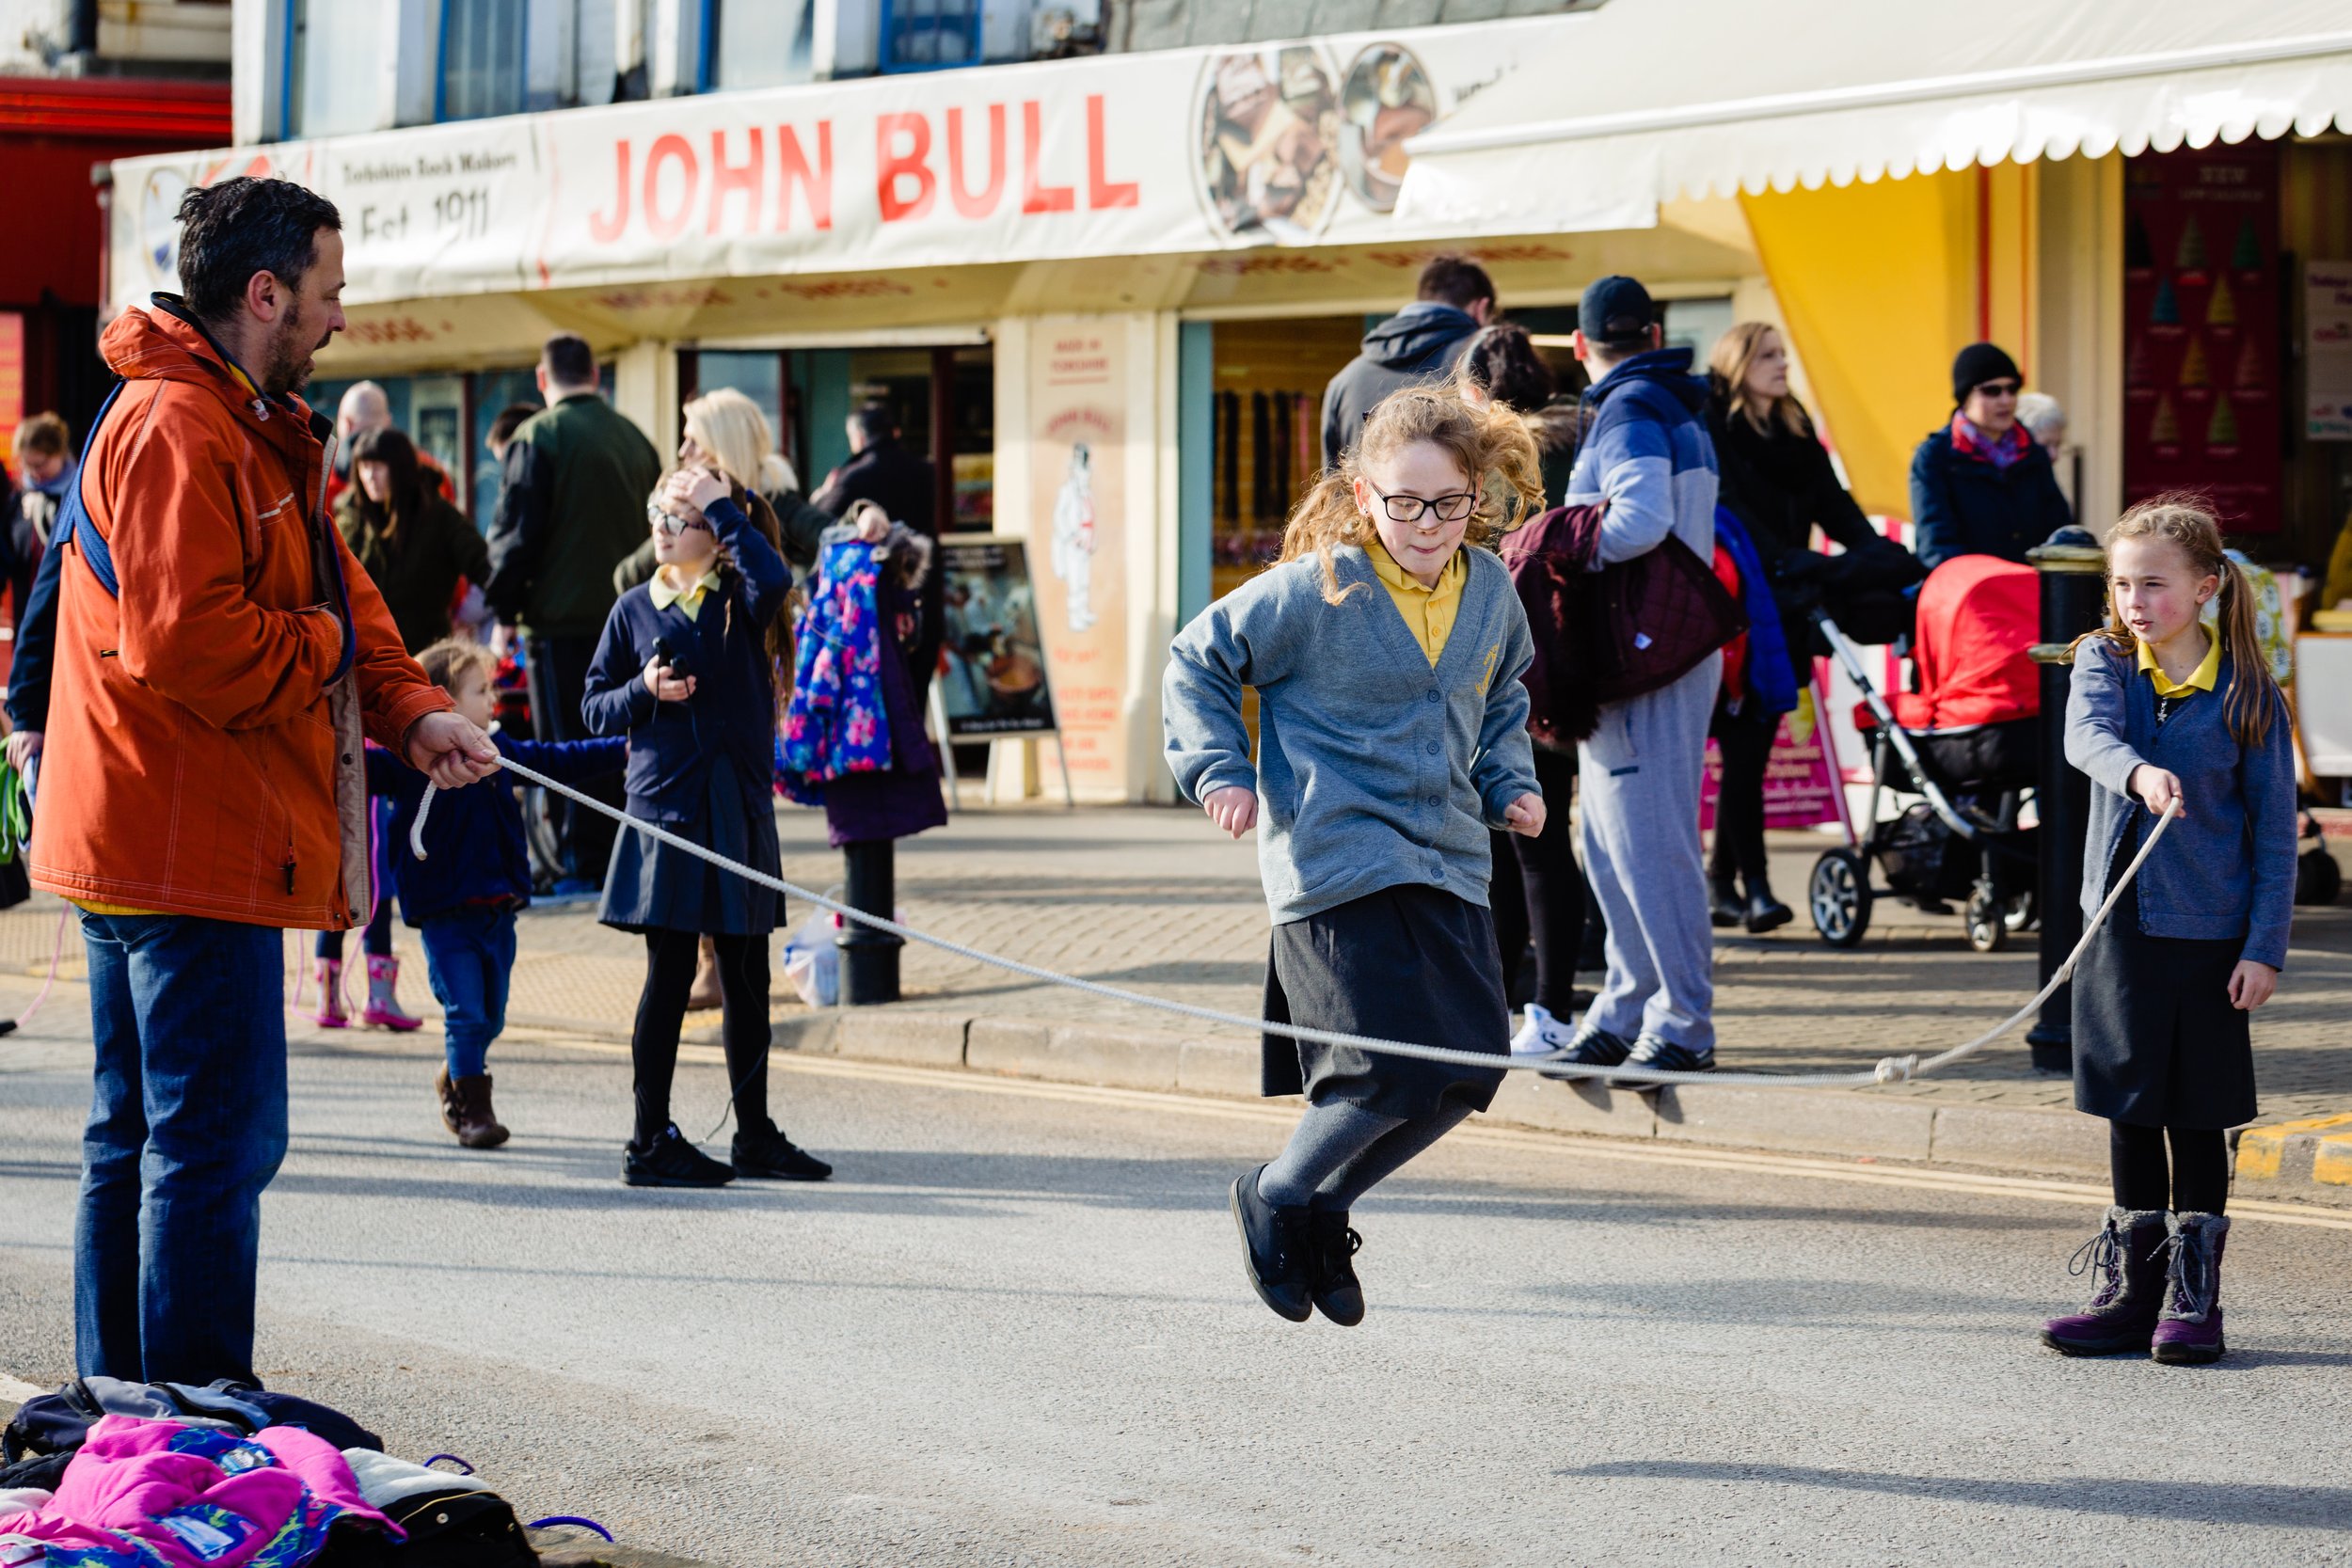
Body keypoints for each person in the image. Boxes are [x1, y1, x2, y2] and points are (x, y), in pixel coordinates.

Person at [30, 176, 499, 1386]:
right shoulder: (187, 428)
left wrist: (415, 710)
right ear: (265, 292)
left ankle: (125, 1401)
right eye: (329, 294)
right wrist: (346, 660)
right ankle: (184, 1409)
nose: (339, 319)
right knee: (210, 1144)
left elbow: (343, 596)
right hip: (185, 847)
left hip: (152, 830)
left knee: (139, 1136)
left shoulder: (240, 421)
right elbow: (197, 648)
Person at [1164, 386, 1546, 1326]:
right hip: (1334, 857)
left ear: (1477, 497)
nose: (1426, 522)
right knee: (1385, 1069)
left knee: (1467, 1065)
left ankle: (1327, 1200)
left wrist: (1510, 781)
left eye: (1449, 503)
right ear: (1362, 493)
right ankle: (1278, 1188)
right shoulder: (1319, 585)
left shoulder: (1489, 588)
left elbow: (1501, 703)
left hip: (1449, 855)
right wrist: (1217, 769)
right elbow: (1195, 660)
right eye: (1404, 502)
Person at [2040, 497, 2295, 1368]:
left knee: (2197, 1114)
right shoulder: (2105, 662)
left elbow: (2273, 832)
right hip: (2117, 928)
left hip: (2211, 936)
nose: (2133, 600)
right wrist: (2141, 772)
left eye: (2153, 582)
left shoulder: (2251, 694)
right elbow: (2087, 740)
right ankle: (2128, 1292)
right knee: (2128, 1107)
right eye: (2120, 583)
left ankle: (2194, 1298)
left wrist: (2264, 947)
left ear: (2207, 586)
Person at [583, 465, 831, 1189]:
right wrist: (643, 690)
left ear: (716, 535)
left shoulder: (742, 597)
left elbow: (776, 578)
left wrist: (723, 508)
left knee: (748, 975)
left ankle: (753, 1134)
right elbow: (594, 706)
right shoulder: (633, 607)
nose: (661, 527)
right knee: (667, 975)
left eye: (679, 518)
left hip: (739, 808)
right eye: (659, 513)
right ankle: (648, 1138)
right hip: (666, 810)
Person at [1549, 275, 1724, 1079]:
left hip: (1640, 654)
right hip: (1659, 649)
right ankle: (1626, 1005)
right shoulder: (1669, 401)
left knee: (1644, 842)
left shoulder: (1625, 409)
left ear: (1583, 345)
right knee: (1613, 837)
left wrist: (1556, 539)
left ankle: (1682, 1021)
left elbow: (1639, 519)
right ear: (1653, 332)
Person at [368, 639, 625, 1148]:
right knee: (465, 1012)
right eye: (481, 690)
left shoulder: (500, 753)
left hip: (498, 913)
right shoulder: (406, 760)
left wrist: (623, 748)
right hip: (444, 914)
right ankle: (475, 1114)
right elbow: (349, 769)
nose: (493, 700)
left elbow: (558, 760)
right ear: (441, 700)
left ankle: (457, 1072)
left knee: (493, 1015)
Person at [1706, 322, 1918, 931]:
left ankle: (1724, 882)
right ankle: (1757, 889)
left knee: (1754, 749)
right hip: (1738, 609)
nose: (1782, 365)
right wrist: (1823, 565)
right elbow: (1743, 527)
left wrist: (1873, 560)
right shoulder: (1719, 432)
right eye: (1769, 356)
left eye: (1782, 355)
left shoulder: (1794, 432)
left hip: (1792, 603)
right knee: (1746, 750)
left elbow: (1841, 513)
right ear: (1739, 361)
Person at [310, 423, 496, 1029]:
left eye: (380, 466)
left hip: (426, 690)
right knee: (348, 844)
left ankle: (382, 987)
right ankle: (328, 988)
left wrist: (500, 621)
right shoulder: (344, 517)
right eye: (362, 468)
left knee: (387, 851)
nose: (370, 477)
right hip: (350, 694)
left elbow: (488, 567)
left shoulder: (438, 518)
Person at [486, 333, 662, 896]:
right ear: (597, 376)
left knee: (568, 747)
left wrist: (504, 610)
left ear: (543, 379)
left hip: (558, 627)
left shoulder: (539, 435)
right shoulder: (635, 439)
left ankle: (583, 866)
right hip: (632, 621)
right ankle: (624, 859)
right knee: (621, 743)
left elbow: (517, 534)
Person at [1455, 323, 1591, 1052]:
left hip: (1504, 669)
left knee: (1516, 845)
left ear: (1477, 392)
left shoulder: (1490, 458)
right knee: (1537, 835)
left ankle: (1536, 1009)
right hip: (1567, 666)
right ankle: (1533, 1008)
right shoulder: (1581, 438)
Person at [1320, 255, 1497, 470]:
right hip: (1458, 503)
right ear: (1481, 307)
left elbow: (1332, 485)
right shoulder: (1481, 362)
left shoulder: (1345, 380)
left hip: (1365, 503)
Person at [1910, 342, 2073, 571]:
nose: (2005, 400)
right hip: (1972, 595)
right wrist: (1988, 585)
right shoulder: (1933, 457)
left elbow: (2059, 529)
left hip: (2030, 592)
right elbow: (1937, 546)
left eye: (2012, 389)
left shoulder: (2032, 452)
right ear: (1965, 398)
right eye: (1992, 391)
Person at [324, 381, 452, 513]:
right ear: (388, 420)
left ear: (346, 424)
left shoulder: (323, 480)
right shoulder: (430, 471)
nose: (370, 476)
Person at [813, 400, 934, 534]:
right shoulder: (925, 470)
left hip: (872, 553)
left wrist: (822, 495)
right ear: (894, 432)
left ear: (859, 436)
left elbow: (820, 522)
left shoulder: (852, 476)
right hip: (920, 551)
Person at [6, 412, 72, 621]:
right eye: (28, 465)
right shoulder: (20, 497)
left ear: (59, 454)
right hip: (26, 603)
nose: (35, 474)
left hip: (63, 604)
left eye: (40, 464)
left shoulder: (74, 494)